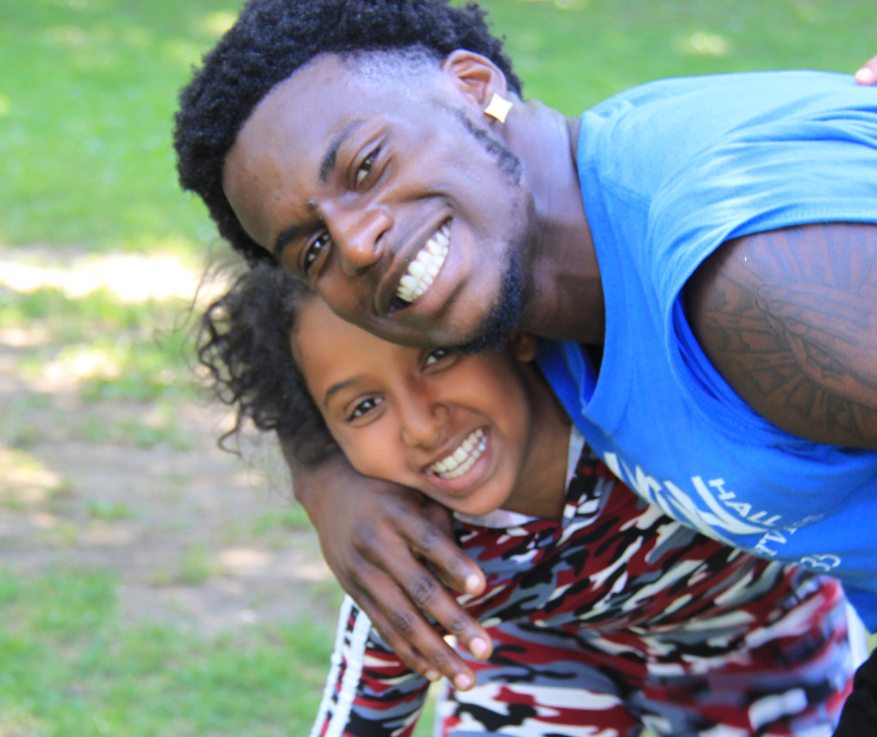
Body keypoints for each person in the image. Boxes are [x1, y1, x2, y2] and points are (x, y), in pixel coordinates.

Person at [172, 0, 877, 729]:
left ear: (475, 87)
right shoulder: (545, 282)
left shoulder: (754, 282)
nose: (359, 243)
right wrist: (326, 478)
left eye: (367, 164)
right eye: (312, 249)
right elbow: (297, 356)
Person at [201, 262, 860, 737]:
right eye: (364, 406)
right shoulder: (412, 555)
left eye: (434, 357)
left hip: (760, 643)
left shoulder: (643, 412)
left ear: (507, 328)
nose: (421, 423)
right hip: (540, 658)